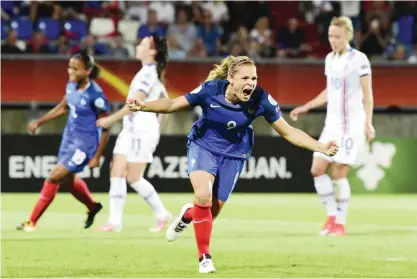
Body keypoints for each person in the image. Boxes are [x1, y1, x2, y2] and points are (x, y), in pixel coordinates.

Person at [126, 55, 339, 273]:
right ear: (231, 78)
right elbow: (172, 104)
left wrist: (320, 147)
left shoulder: (261, 99)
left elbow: (289, 132)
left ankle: (188, 215)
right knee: (203, 196)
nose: (251, 83)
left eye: (254, 78)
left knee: (209, 213)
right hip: (204, 146)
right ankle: (204, 258)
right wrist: (144, 106)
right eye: (245, 78)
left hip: (235, 154)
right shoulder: (210, 90)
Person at [290, 17, 375, 236]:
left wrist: (369, 122)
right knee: (317, 169)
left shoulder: (360, 59)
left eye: (337, 36)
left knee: (338, 172)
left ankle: (340, 223)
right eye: (330, 36)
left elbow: (368, 95)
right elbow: (330, 91)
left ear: (348, 35)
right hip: (333, 124)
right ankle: (330, 216)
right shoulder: (329, 59)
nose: (333, 40)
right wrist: (306, 106)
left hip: (352, 124)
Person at [17, 52, 110, 232]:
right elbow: (64, 107)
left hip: (85, 144)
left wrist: (97, 156)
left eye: (75, 68)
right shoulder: (71, 86)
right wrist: (39, 121)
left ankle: (31, 222)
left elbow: (106, 126)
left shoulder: (96, 95)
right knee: (67, 181)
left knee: (53, 177)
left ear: (87, 71)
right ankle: (93, 207)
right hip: (69, 139)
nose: (70, 71)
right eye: (69, 67)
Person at [94, 35, 171, 233]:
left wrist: (110, 119)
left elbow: (135, 103)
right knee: (116, 170)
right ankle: (114, 222)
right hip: (131, 129)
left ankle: (162, 214)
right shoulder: (148, 73)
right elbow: (166, 102)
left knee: (134, 177)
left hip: (142, 129)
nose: (137, 46)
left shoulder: (148, 74)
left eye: (142, 44)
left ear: (152, 51)